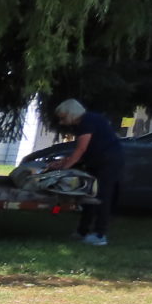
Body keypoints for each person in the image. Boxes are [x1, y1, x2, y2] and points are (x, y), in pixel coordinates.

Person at [52, 98, 124, 246]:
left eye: (63, 117)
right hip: (97, 161)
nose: (61, 122)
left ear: (71, 113)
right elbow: (85, 150)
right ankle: (82, 231)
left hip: (108, 162)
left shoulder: (87, 121)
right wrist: (65, 161)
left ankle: (99, 235)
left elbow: (81, 149)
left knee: (101, 196)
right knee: (88, 195)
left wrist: (65, 168)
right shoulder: (87, 121)